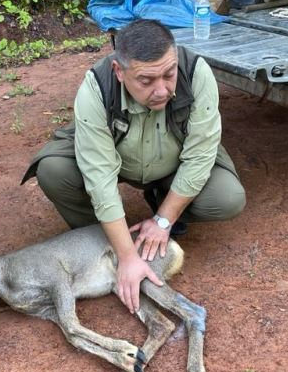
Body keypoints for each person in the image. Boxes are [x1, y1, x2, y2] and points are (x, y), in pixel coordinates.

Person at [23, 19, 245, 314]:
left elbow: (201, 154)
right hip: (117, 161)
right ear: (119, 71)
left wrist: (164, 219)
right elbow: (100, 177)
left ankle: (163, 204)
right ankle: (102, 242)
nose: (162, 90)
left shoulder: (196, 72)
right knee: (53, 170)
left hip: (172, 162)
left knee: (227, 198)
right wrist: (126, 256)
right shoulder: (96, 87)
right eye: (146, 81)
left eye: (169, 74)